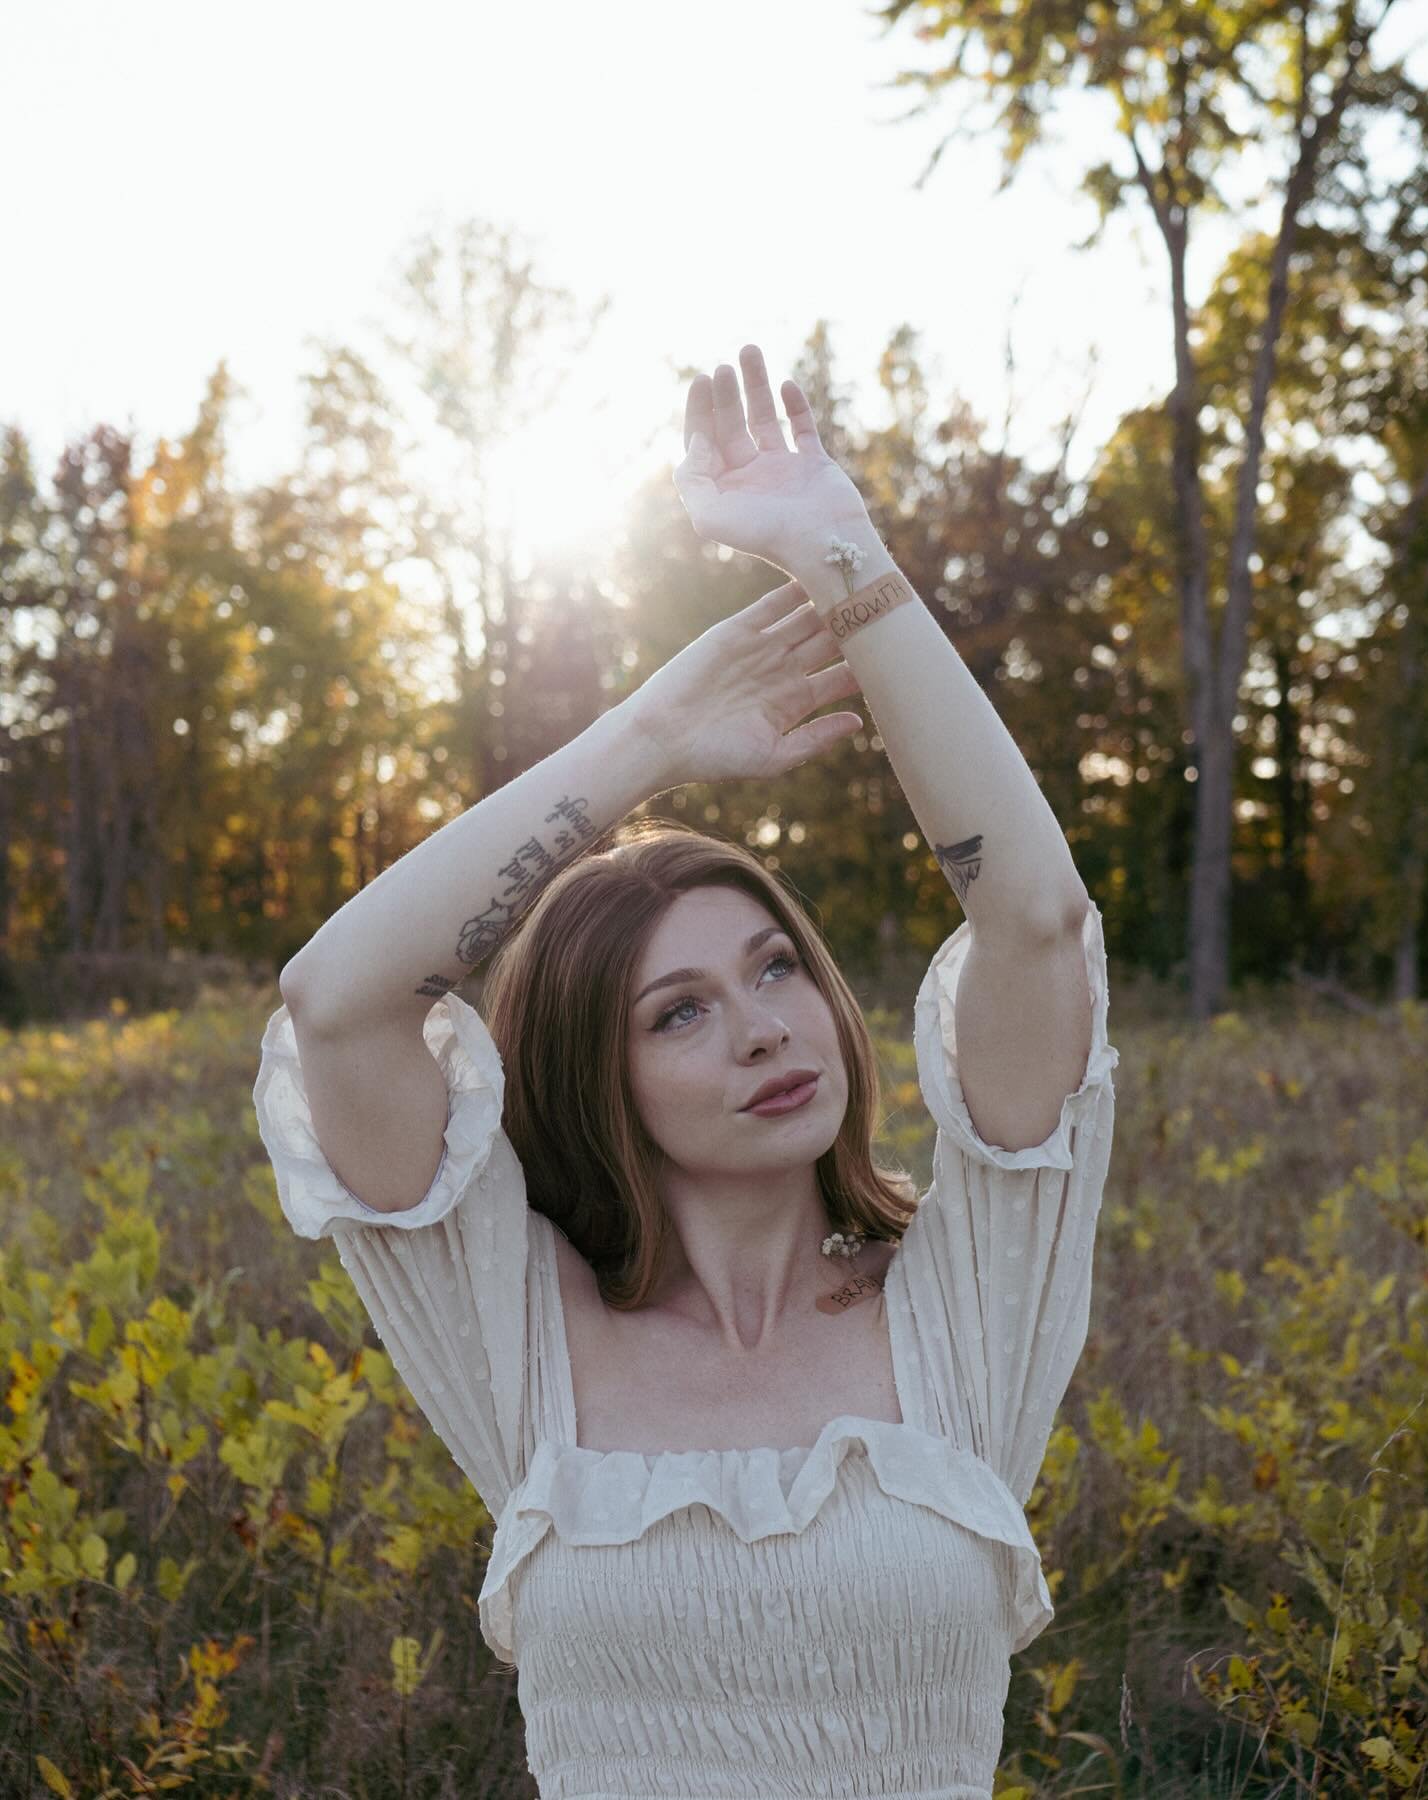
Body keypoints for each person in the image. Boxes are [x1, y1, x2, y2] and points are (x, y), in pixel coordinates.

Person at [252, 344, 1120, 1799]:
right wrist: (646, 741)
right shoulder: (519, 1327)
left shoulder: (968, 1302)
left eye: (777, 969)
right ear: (596, 1079)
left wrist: (840, 549)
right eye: (678, 1014)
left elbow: (1034, 917)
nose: (765, 1028)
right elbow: (338, 1001)